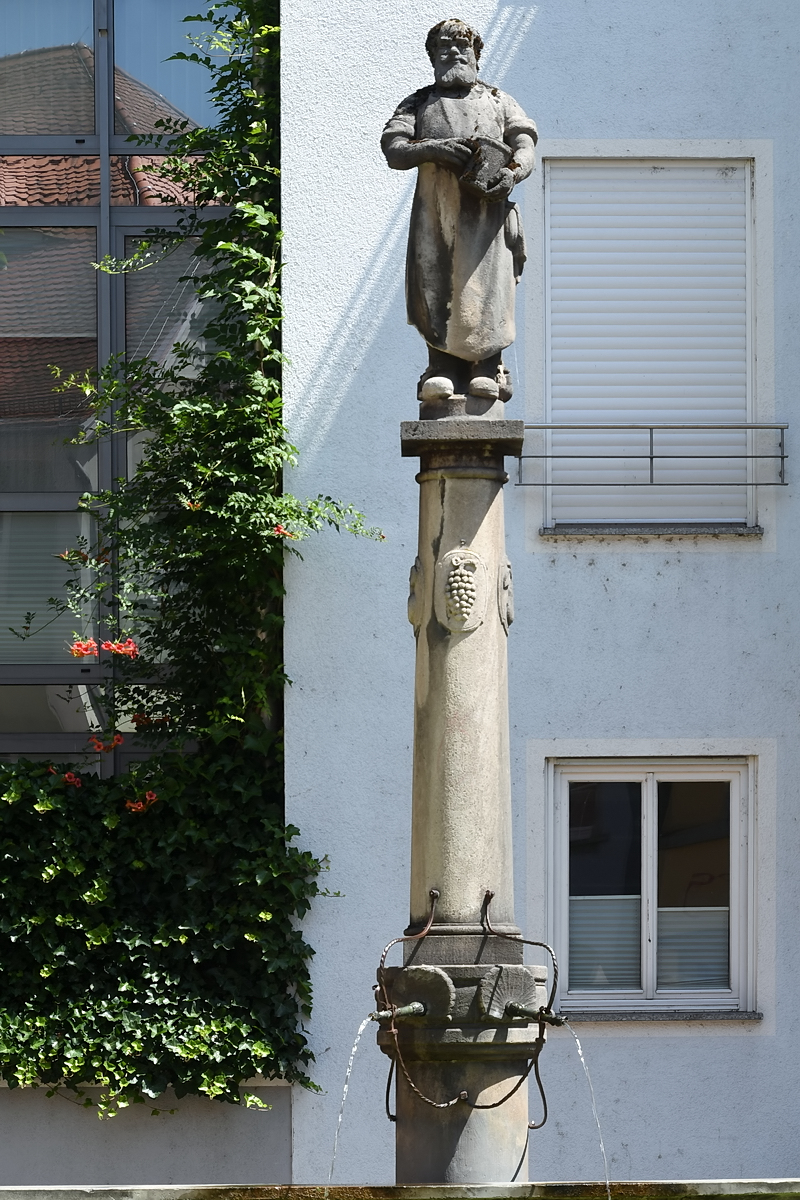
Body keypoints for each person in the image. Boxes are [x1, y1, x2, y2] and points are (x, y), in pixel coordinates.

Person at [381, 18, 537, 405]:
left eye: (461, 46)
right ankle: (442, 367)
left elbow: (525, 143)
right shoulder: (418, 102)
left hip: (488, 218)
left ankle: (488, 366)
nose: (453, 52)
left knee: (489, 291)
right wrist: (433, 149)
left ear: (476, 55)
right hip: (436, 217)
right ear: (432, 56)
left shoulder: (498, 100)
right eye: (444, 47)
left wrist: (513, 173)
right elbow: (394, 149)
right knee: (435, 284)